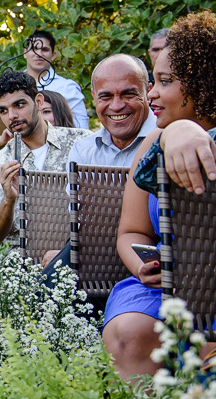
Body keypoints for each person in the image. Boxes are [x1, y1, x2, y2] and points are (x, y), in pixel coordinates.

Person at [102, 12, 216, 378]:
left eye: (166, 81)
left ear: (207, 83)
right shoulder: (154, 142)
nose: (152, 94)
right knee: (130, 334)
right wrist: (142, 267)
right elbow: (131, 232)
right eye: (154, 81)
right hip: (164, 287)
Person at [39, 54, 159, 272]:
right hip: (96, 260)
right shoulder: (84, 151)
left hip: (152, 260)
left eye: (128, 94)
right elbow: (84, 224)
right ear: (93, 96)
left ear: (148, 91)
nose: (116, 105)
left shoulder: (168, 141)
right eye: (105, 96)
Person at [0, 71, 90, 246]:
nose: (12, 116)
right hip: (18, 264)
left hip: (74, 255)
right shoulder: (0, 162)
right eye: (3, 110)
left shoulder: (81, 144)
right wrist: (8, 200)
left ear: (38, 101)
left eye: (19, 105)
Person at [20, 30, 90, 128]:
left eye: (45, 49)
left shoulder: (67, 87)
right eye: (34, 48)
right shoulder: (13, 85)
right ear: (25, 53)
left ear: (53, 55)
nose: (39, 53)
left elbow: (82, 128)